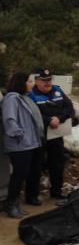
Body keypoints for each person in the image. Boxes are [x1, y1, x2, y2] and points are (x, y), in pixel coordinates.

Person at [1, 72, 44, 218]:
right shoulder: (11, 99)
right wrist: (20, 135)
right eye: (30, 81)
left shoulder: (21, 98)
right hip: (18, 145)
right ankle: (10, 204)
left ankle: (14, 203)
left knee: (22, 174)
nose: (33, 84)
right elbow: (9, 120)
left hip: (25, 144)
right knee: (18, 175)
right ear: (22, 82)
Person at [28, 68, 74, 200]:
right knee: (36, 166)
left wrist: (59, 119)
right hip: (38, 136)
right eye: (43, 81)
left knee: (57, 163)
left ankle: (56, 191)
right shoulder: (31, 94)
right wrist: (48, 121)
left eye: (49, 80)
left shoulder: (58, 90)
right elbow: (31, 114)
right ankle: (32, 195)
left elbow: (69, 108)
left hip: (56, 134)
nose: (47, 83)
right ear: (37, 81)